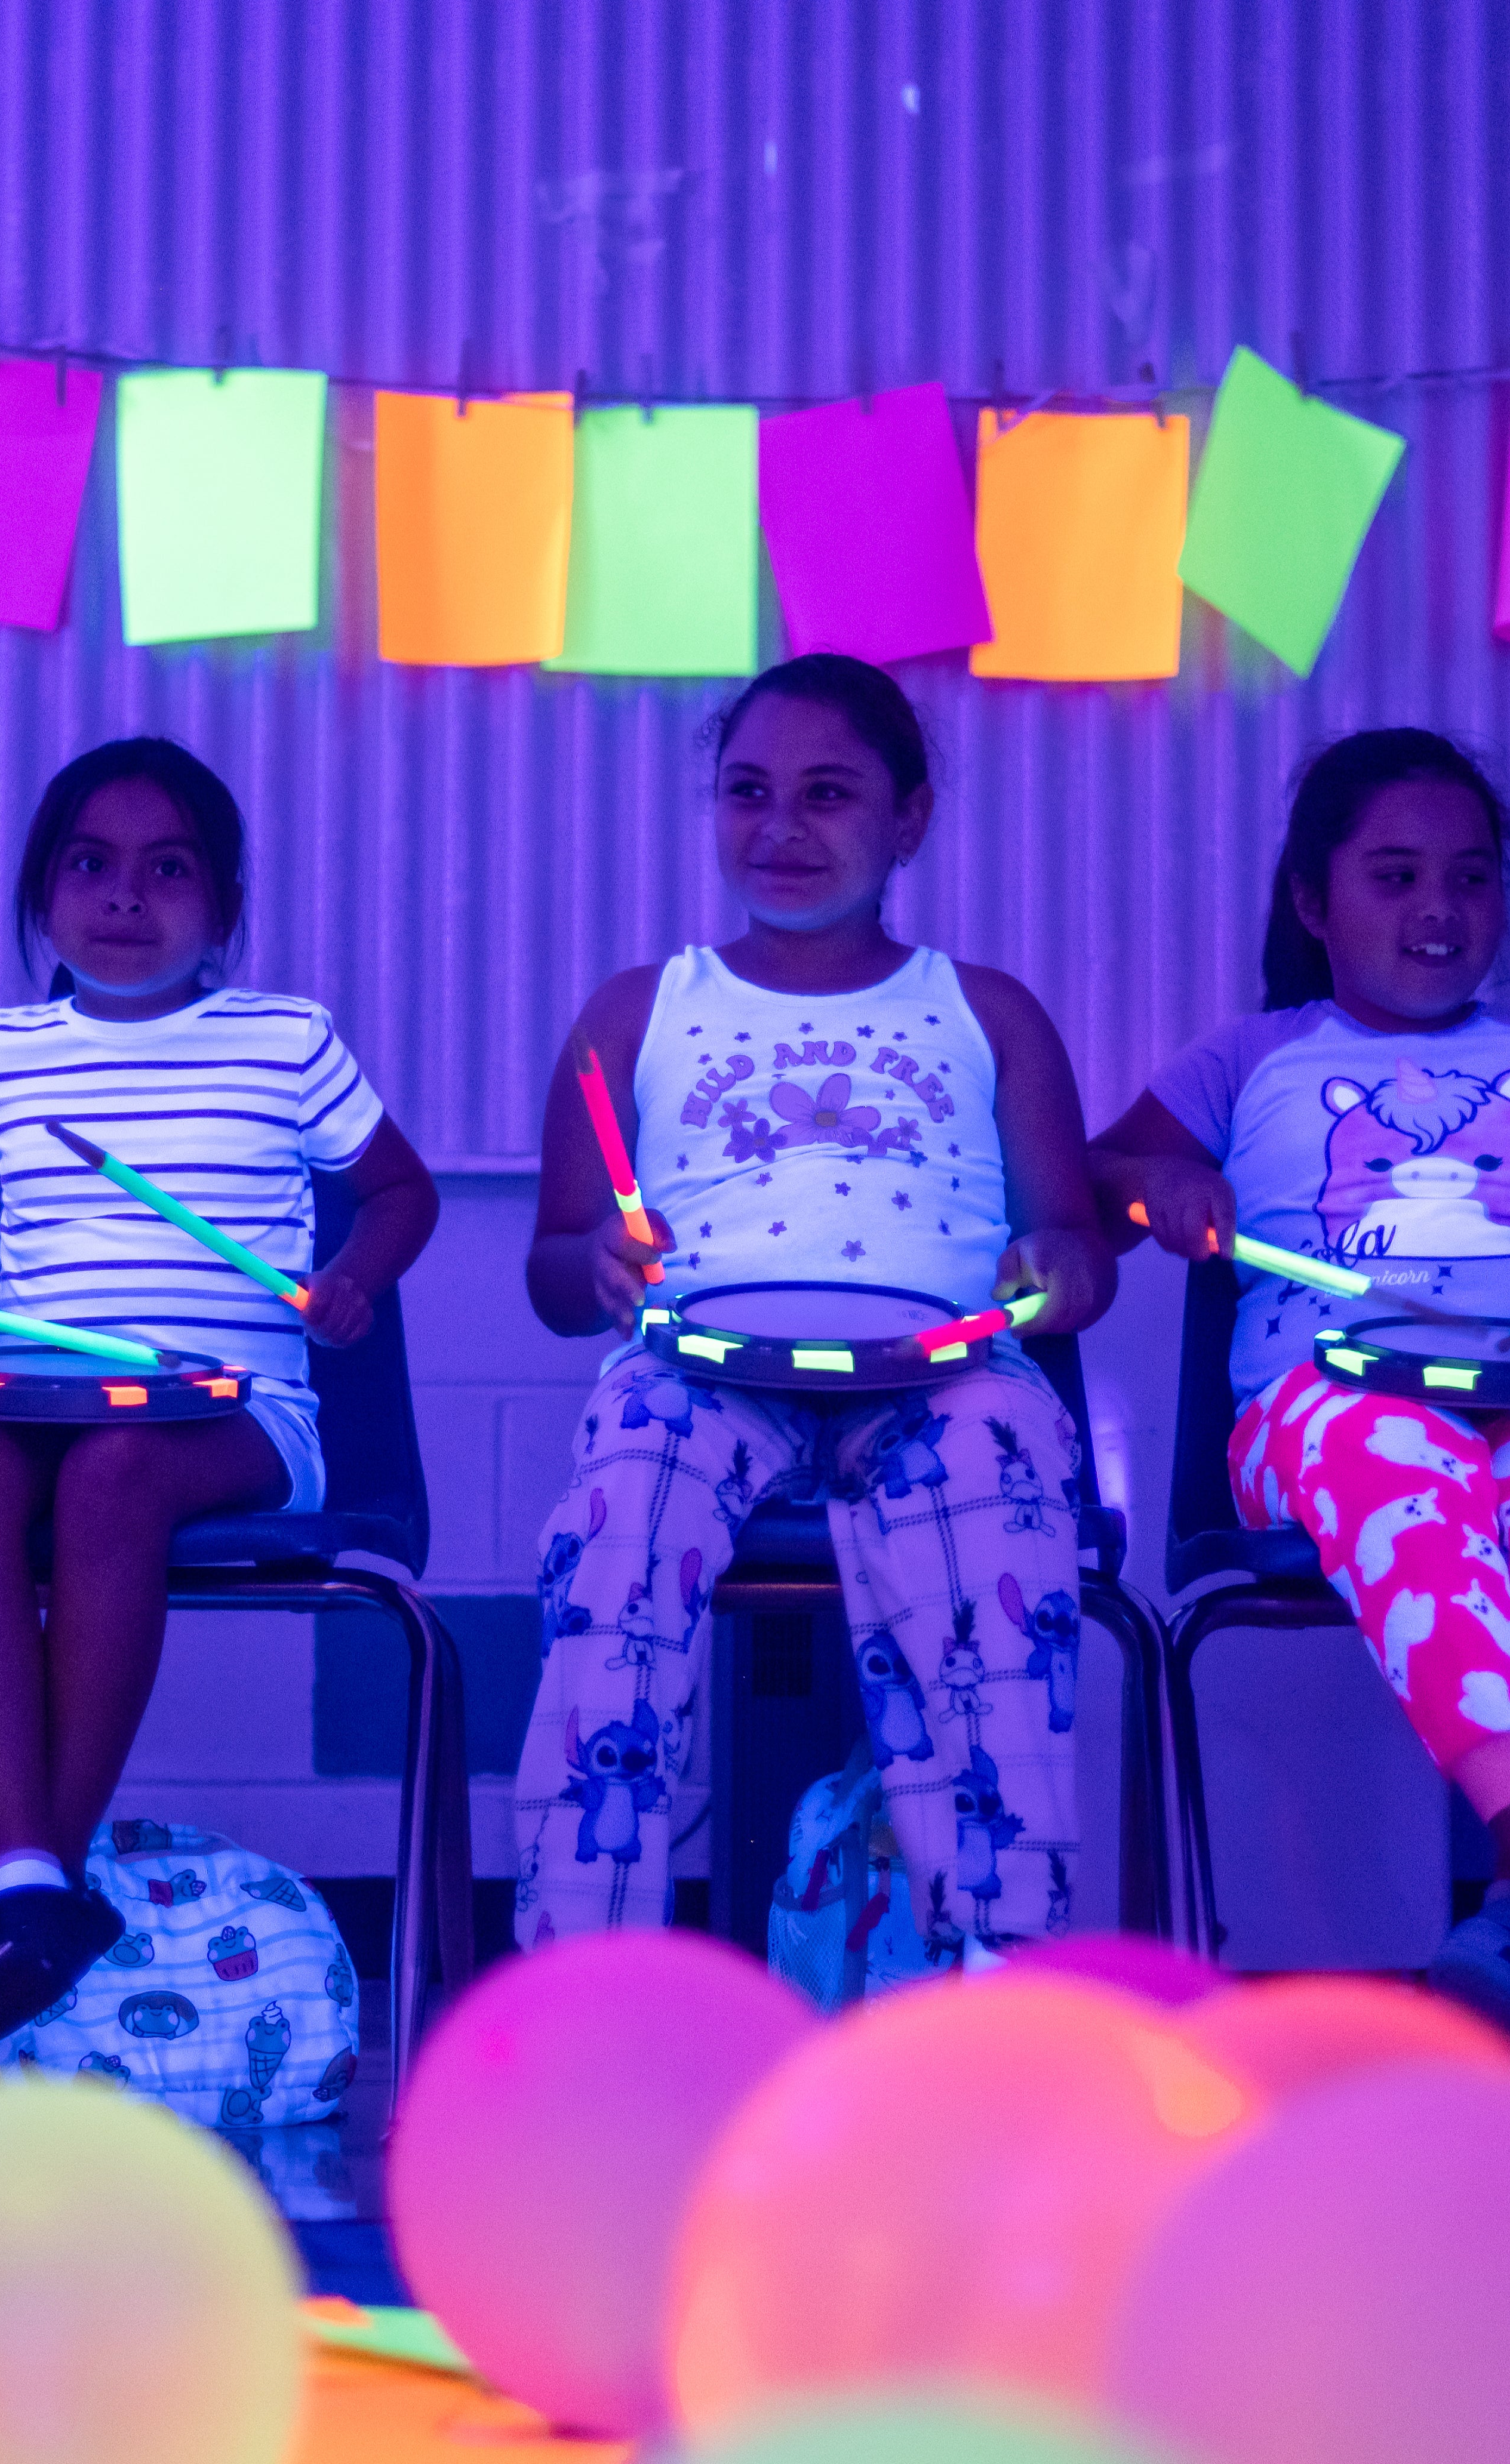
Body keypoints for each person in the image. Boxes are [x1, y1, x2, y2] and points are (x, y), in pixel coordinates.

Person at [1090, 727, 1510, 2053]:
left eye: (1472, 879)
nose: (1440, 908)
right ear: (1314, 903)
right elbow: (1100, 1176)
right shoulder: (1248, 1057)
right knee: (1402, 1468)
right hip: (1323, 1413)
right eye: (1395, 876)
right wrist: (1167, 1187)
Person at [0, 737, 436, 2040]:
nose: (126, 898)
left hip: (241, 1416)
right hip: (44, 1400)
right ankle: (34, 1882)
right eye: (90, 866)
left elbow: (401, 1190)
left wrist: (356, 1276)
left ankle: (31, 1886)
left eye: (167, 870)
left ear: (225, 909)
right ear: (42, 894)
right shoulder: (8, 1048)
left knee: (119, 1473)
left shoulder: (284, 1038)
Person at [513, 652, 1113, 1963]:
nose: (780, 829)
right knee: (611, 1562)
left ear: (909, 819)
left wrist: (1055, 1268)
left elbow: (1075, 1245)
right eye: (749, 792)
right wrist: (600, 1266)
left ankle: (1002, 1981)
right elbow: (555, 1271)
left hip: (945, 1372)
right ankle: (579, 1983)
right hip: (699, 1370)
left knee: (1001, 1580)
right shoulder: (637, 1010)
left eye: (828, 794)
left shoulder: (986, 1010)